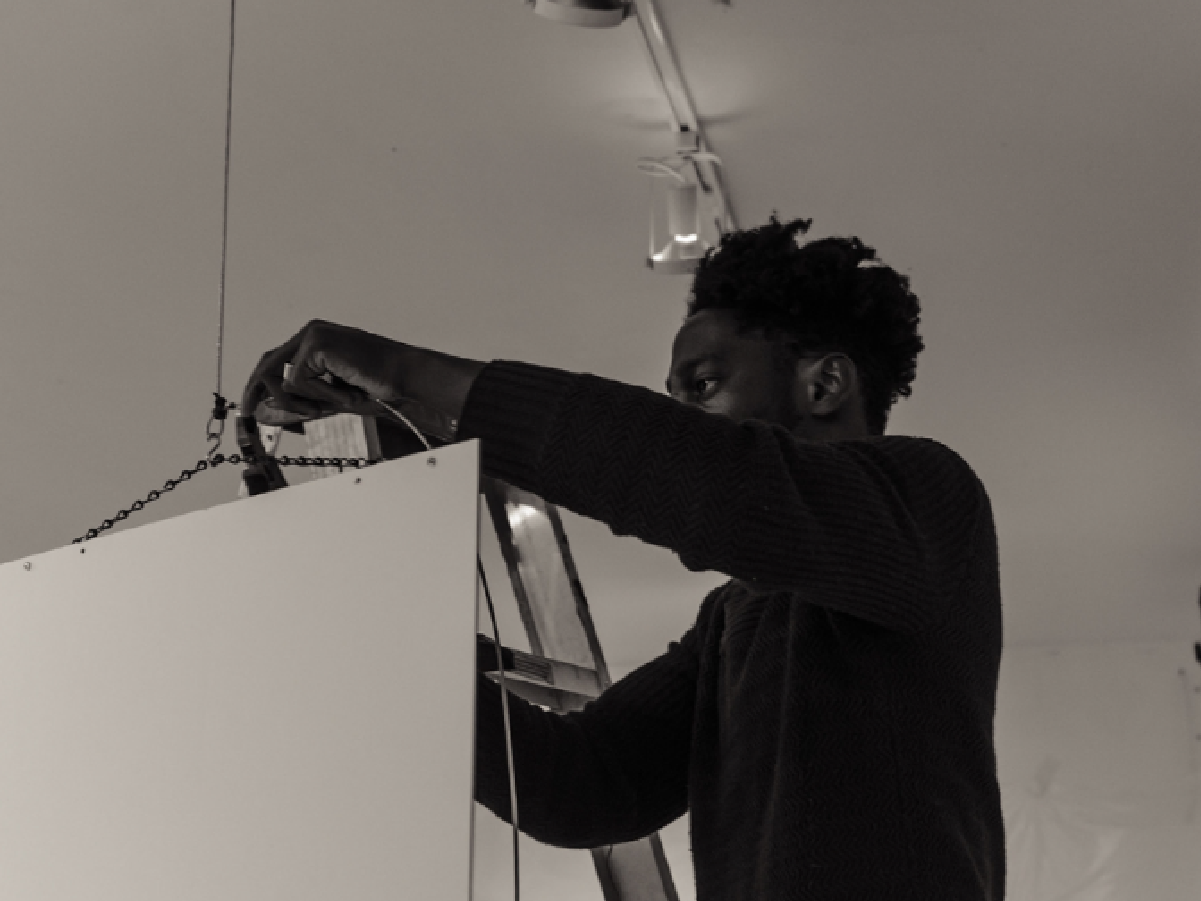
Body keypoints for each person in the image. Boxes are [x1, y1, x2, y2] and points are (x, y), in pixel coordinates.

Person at [243, 215, 1006, 901]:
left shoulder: (933, 497)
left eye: (702, 386)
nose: (683, 419)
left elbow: (718, 484)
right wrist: (393, 649)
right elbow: (588, 785)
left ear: (825, 383)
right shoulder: (729, 621)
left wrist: (419, 381)